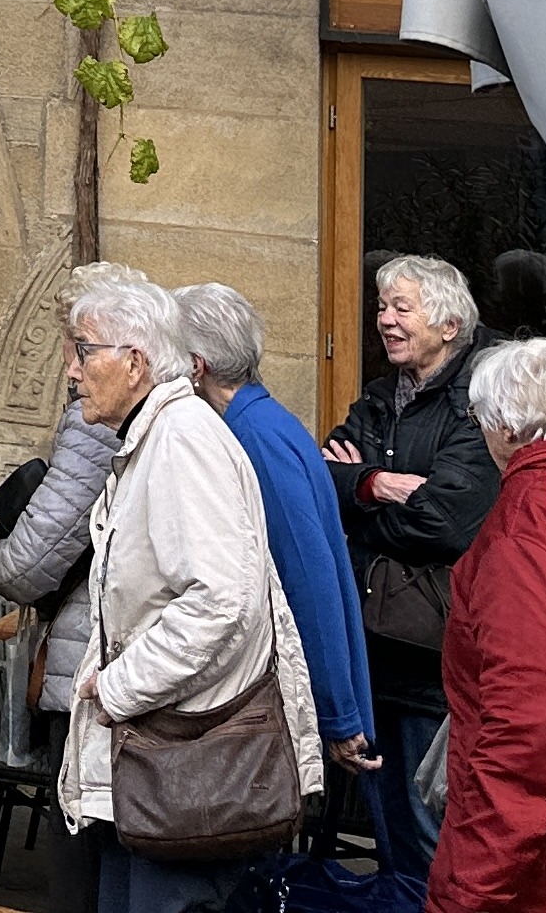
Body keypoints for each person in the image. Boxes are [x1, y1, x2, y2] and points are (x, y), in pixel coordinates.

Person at [51, 275, 323, 913]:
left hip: (193, 776)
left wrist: (117, 687)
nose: (72, 370)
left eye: (84, 350)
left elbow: (223, 601)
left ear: (136, 361)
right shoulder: (156, 438)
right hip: (161, 770)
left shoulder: (183, 440)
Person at [324, 255, 501, 893]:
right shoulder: (378, 397)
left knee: (434, 836)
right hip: (375, 648)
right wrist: (376, 484)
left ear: (449, 325)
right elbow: (325, 482)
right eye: (381, 308)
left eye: (402, 308)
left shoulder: (477, 402)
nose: (386, 321)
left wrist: (360, 513)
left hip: (434, 657)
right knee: (388, 833)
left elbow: (448, 523)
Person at [0, 265, 153, 913]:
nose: (70, 364)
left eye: (78, 344)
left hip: (89, 665)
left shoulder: (98, 416)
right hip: (123, 662)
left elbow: (39, 551)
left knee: (82, 856)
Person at [180, 284, 377, 792]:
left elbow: (308, 578)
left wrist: (338, 713)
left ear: (196, 365)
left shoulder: (255, 438)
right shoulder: (259, 422)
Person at [427, 337, 546, 913]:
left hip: (529, 872)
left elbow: (533, 729)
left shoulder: (527, 525)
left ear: (506, 430)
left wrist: (464, 893)